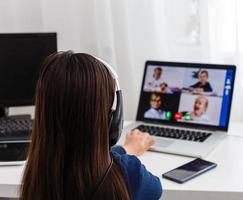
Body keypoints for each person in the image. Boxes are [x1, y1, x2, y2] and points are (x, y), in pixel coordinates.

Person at [20, 51, 162, 200]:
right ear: (112, 120)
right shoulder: (130, 172)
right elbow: (156, 189)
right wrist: (127, 155)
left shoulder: (37, 174)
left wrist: (126, 149)